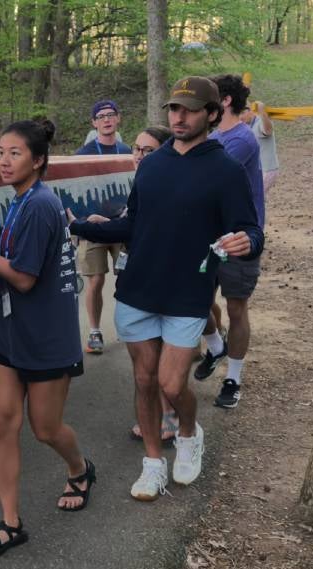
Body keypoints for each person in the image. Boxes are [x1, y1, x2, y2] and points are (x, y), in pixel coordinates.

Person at [69, 76, 263, 501]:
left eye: (190, 109)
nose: (179, 116)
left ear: (212, 115)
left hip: (187, 294)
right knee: (143, 381)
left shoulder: (226, 170)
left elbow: (251, 229)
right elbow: (134, 224)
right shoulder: (153, 165)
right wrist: (79, 226)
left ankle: (190, 434)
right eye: (174, 109)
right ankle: (153, 464)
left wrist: (247, 241)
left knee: (173, 385)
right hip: (138, 289)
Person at [0, 120, 94, 557]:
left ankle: (80, 468)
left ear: (38, 160)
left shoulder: (39, 204)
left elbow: (25, 279)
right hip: (9, 332)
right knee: (2, 423)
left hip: (46, 335)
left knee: (45, 428)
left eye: (14, 153)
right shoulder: (20, 200)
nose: (3, 160)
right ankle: (10, 522)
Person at [87, 125, 180, 445]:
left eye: (147, 150)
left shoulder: (165, 182)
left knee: (156, 359)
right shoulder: (141, 178)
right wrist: (109, 225)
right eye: (137, 149)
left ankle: (171, 416)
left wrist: (95, 227)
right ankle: (156, 414)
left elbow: (146, 228)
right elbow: (134, 224)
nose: (139, 155)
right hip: (137, 280)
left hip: (159, 283)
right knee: (143, 362)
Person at [194, 74, 265, 410]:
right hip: (204, 234)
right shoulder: (209, 136)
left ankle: (233, 378)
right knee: (195, 299)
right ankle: (214, 344)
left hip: (237, 237)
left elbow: (206, 172)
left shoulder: (242, 140)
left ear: (222, 102)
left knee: (236, 308)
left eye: (206, 99)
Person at [74, 100, 133, 354]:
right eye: (101, 116)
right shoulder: (82, 155)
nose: (107, 120)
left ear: (118, 119)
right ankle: (95, 330)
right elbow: (75, 193)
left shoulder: (127, 150)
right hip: (94, 226)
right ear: (94, 123)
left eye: (111, 115)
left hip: (121, 225)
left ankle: (127, 325)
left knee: (128, 277)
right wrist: (87, 219)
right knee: (96, 280)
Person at [241, 100, 280, 193]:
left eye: (243, 112)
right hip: (257, 170)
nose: (240, 117)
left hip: (267, 170)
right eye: (238, 113)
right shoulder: (247, 125)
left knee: (253, 197)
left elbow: (268, 130)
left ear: (251, 111)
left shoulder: (260, 122)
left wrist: (262, 112)